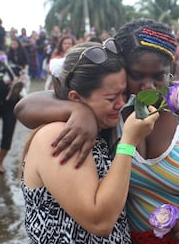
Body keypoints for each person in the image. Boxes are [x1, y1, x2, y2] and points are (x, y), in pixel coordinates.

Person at [15, 19, 179, 244]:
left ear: (171, 69)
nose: (149, 87)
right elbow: (26, 106)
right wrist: (76, 112)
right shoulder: (113, 109)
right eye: (137, 76)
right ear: (122, 69)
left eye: (159, 76)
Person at [21, 41, 159, 243]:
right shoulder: (59, 135)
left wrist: (79, 110)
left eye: (123, 93)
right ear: (75, 97)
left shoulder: (95, 127)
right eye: (112, 98)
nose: (121, 104)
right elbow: (100, 222)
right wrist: (129, 141)